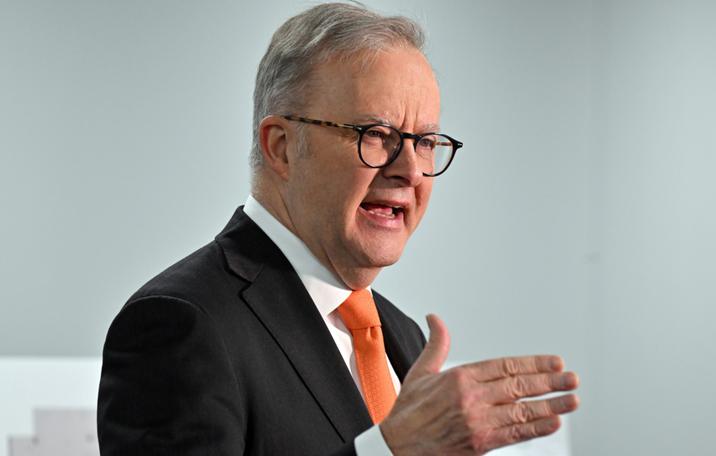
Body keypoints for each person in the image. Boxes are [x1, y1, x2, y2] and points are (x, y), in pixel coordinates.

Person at [97, 3, 580, 455]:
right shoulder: (181, 322)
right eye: (376, 135)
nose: (410, 170)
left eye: (426, 142)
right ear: (282, 146)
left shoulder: (402, 335)